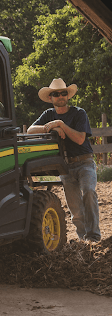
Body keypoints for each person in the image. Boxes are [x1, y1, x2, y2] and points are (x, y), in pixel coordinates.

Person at [27, 78, 101, 242]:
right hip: (66, 166)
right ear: (50, 98)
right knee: (74, 207)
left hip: (85, 162)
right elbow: (31, 130)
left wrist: (61, 124)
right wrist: (53, 126)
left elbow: (80, 139)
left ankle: (94, 235)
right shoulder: (48, 115)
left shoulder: (79, 113)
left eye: (63, 93)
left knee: (89, 191)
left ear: (68, 96)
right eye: (56, 94)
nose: (60, 96)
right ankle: (83, 239)